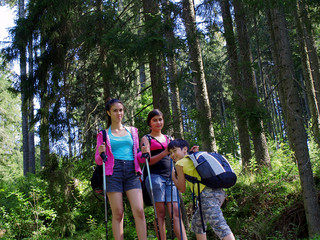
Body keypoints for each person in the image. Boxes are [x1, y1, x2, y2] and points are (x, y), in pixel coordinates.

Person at [95, 98, 147, 240]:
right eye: (115, 110)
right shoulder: (103, 134)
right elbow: (99, 161)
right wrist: (101, 153)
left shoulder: (132, 131)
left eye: (121, 110)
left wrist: (144, 154)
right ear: (108, 112)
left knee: (139, 210)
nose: (119, 113)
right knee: (118, 213)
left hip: (132, 171)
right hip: (113, 172)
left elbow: (138, 157)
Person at [168, 139, 235, 240]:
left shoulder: (179, 164)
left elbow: (182, 188)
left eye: (174, 150)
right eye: (170, 153)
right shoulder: (193, 158)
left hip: (207, 196)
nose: (172, 155)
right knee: (198, 223)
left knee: (219, 226)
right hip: (219, 192)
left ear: (184, 149)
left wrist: (173, 176)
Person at [140, 109, 188, 240]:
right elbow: (147, 161)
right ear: (149, 123)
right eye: (154, 120)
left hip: (171, 177)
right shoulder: (146, 138)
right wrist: (164, 152)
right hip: (155, 177)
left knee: (176, 212)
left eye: (160, 119)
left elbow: (178, 156)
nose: (158, 122)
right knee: (160, 214)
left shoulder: (169, 138)